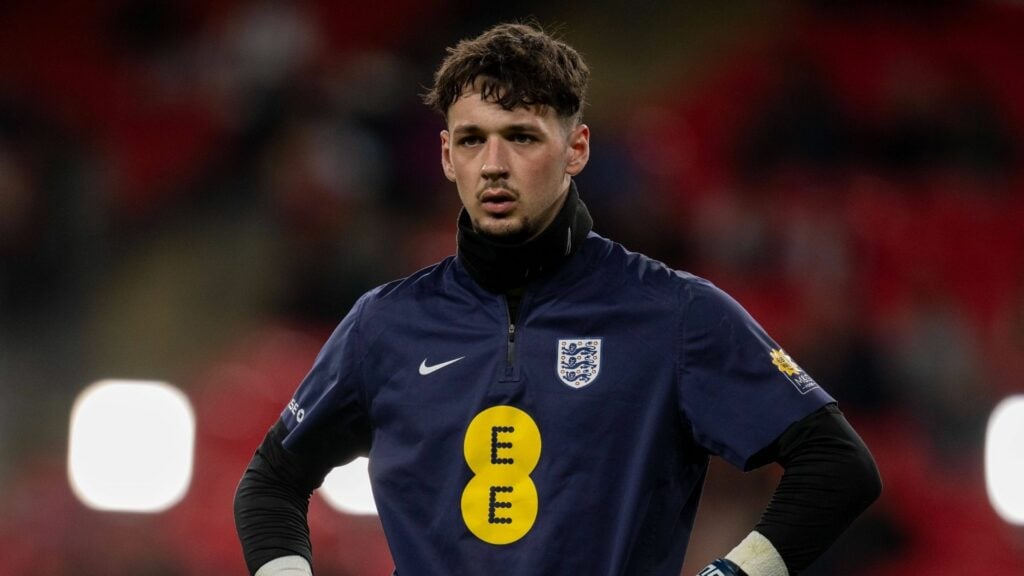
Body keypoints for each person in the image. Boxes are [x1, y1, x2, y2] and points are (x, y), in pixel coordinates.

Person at [234, 22, 881, 576]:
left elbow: (837, 466)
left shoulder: (672, 313)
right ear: (446, 157)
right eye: (472, 139)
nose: (493, 164)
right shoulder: (384, 323)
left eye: (521, 136)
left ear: (576, 149)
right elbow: (270, 484)